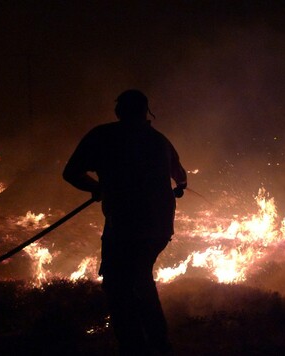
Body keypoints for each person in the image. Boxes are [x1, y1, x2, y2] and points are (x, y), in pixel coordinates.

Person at [63, 89, 187, 355]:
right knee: (139, 277)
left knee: (118, 285)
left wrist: (96, 188)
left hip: (125, 225)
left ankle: (134, 346)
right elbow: (180, 175)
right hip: (159, 227)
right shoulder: (158, 140)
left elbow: (71, 173)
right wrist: (180, 186)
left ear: (119, 112)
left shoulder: (104, 136)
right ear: (146, 113)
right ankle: (157, 344)